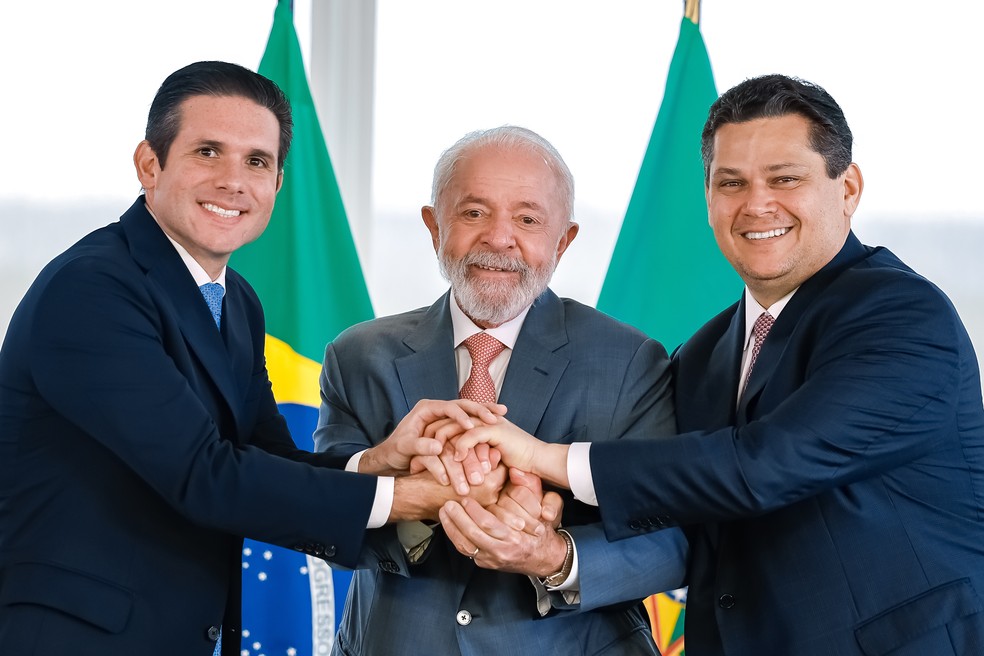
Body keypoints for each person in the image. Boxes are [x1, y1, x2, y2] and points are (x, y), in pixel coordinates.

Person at [445, 75, 984, 655]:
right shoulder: (701, 354)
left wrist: (542, 457)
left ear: (847, 188)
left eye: (785, 179)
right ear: (708, 197)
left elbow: (766, 464)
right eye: (732, 183)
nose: (756, 204)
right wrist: (518, 505)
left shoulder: (904, 314)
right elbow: (665, 490)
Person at [0, 60, 494, 656]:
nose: (234, 181)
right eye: (208, 152)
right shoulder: (93, 289)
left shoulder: (236, 302)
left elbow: (263, 457)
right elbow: (202, 475)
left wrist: (378, 465)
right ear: (149, 164)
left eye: (257, 161)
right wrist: (413, 498)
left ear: (278, 183)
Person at [313, 125, 687, 655]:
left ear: (564, 241)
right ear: (433, 226)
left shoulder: (631, 362)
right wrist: (419, 504)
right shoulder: (357, 355)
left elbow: (671, 541)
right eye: (473, 212)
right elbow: (324, 522)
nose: (498, 237)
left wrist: (551, 555)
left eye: (528, 219)